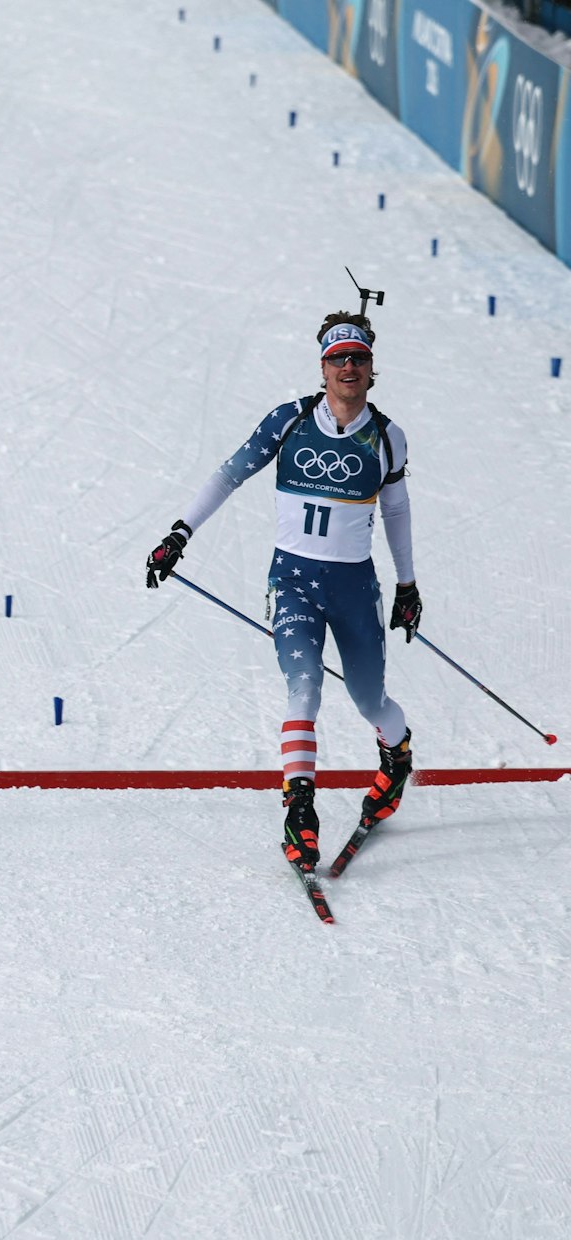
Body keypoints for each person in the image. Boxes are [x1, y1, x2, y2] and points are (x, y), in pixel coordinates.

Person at [145, 312, 419, 870]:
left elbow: (395, 508)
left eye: (358, 359)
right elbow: (228, 474)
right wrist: (179, 534)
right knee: (305, 687)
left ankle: (397, 756)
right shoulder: (289, 422)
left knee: (370, 700)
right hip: (293, 581)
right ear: (322, 368)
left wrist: (408, 585)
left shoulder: (387, 437)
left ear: (371, 370)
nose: (348, 366)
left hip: (353, 586)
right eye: (338, 358)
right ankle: (300, 812)